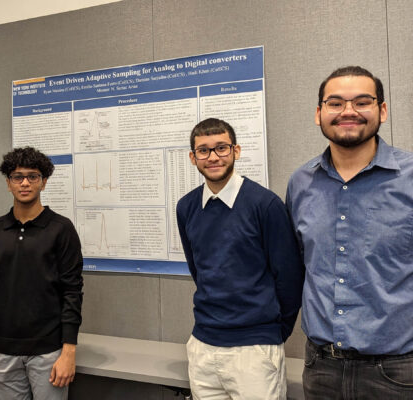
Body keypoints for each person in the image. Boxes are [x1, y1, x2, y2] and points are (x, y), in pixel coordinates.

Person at [286, 66, 413, 399]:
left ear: (382, 110)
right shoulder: (301, 183)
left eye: (362, 102)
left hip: (397, 372)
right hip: (320, 368)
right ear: (319, 113)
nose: (348, 112)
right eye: (335, 103)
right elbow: (296, 265)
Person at [176, 118, 304, 400]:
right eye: (204, 150)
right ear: (192, 157)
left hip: (254, 350)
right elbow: (200, 270)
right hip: (203, 346)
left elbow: (290, 277)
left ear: (236, 151)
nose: (213, 157)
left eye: (221, 148)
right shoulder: (186, 207)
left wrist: (272, 331)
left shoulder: (265, 204)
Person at [0, 146, 83, 400]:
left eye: (33, 176)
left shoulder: (61, 229)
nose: (25, 183)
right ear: (8, 183)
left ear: (43, 182)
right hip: (1, 351)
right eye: (17, 177)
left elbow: (72, 292)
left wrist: (69, 352)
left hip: (48, 352)